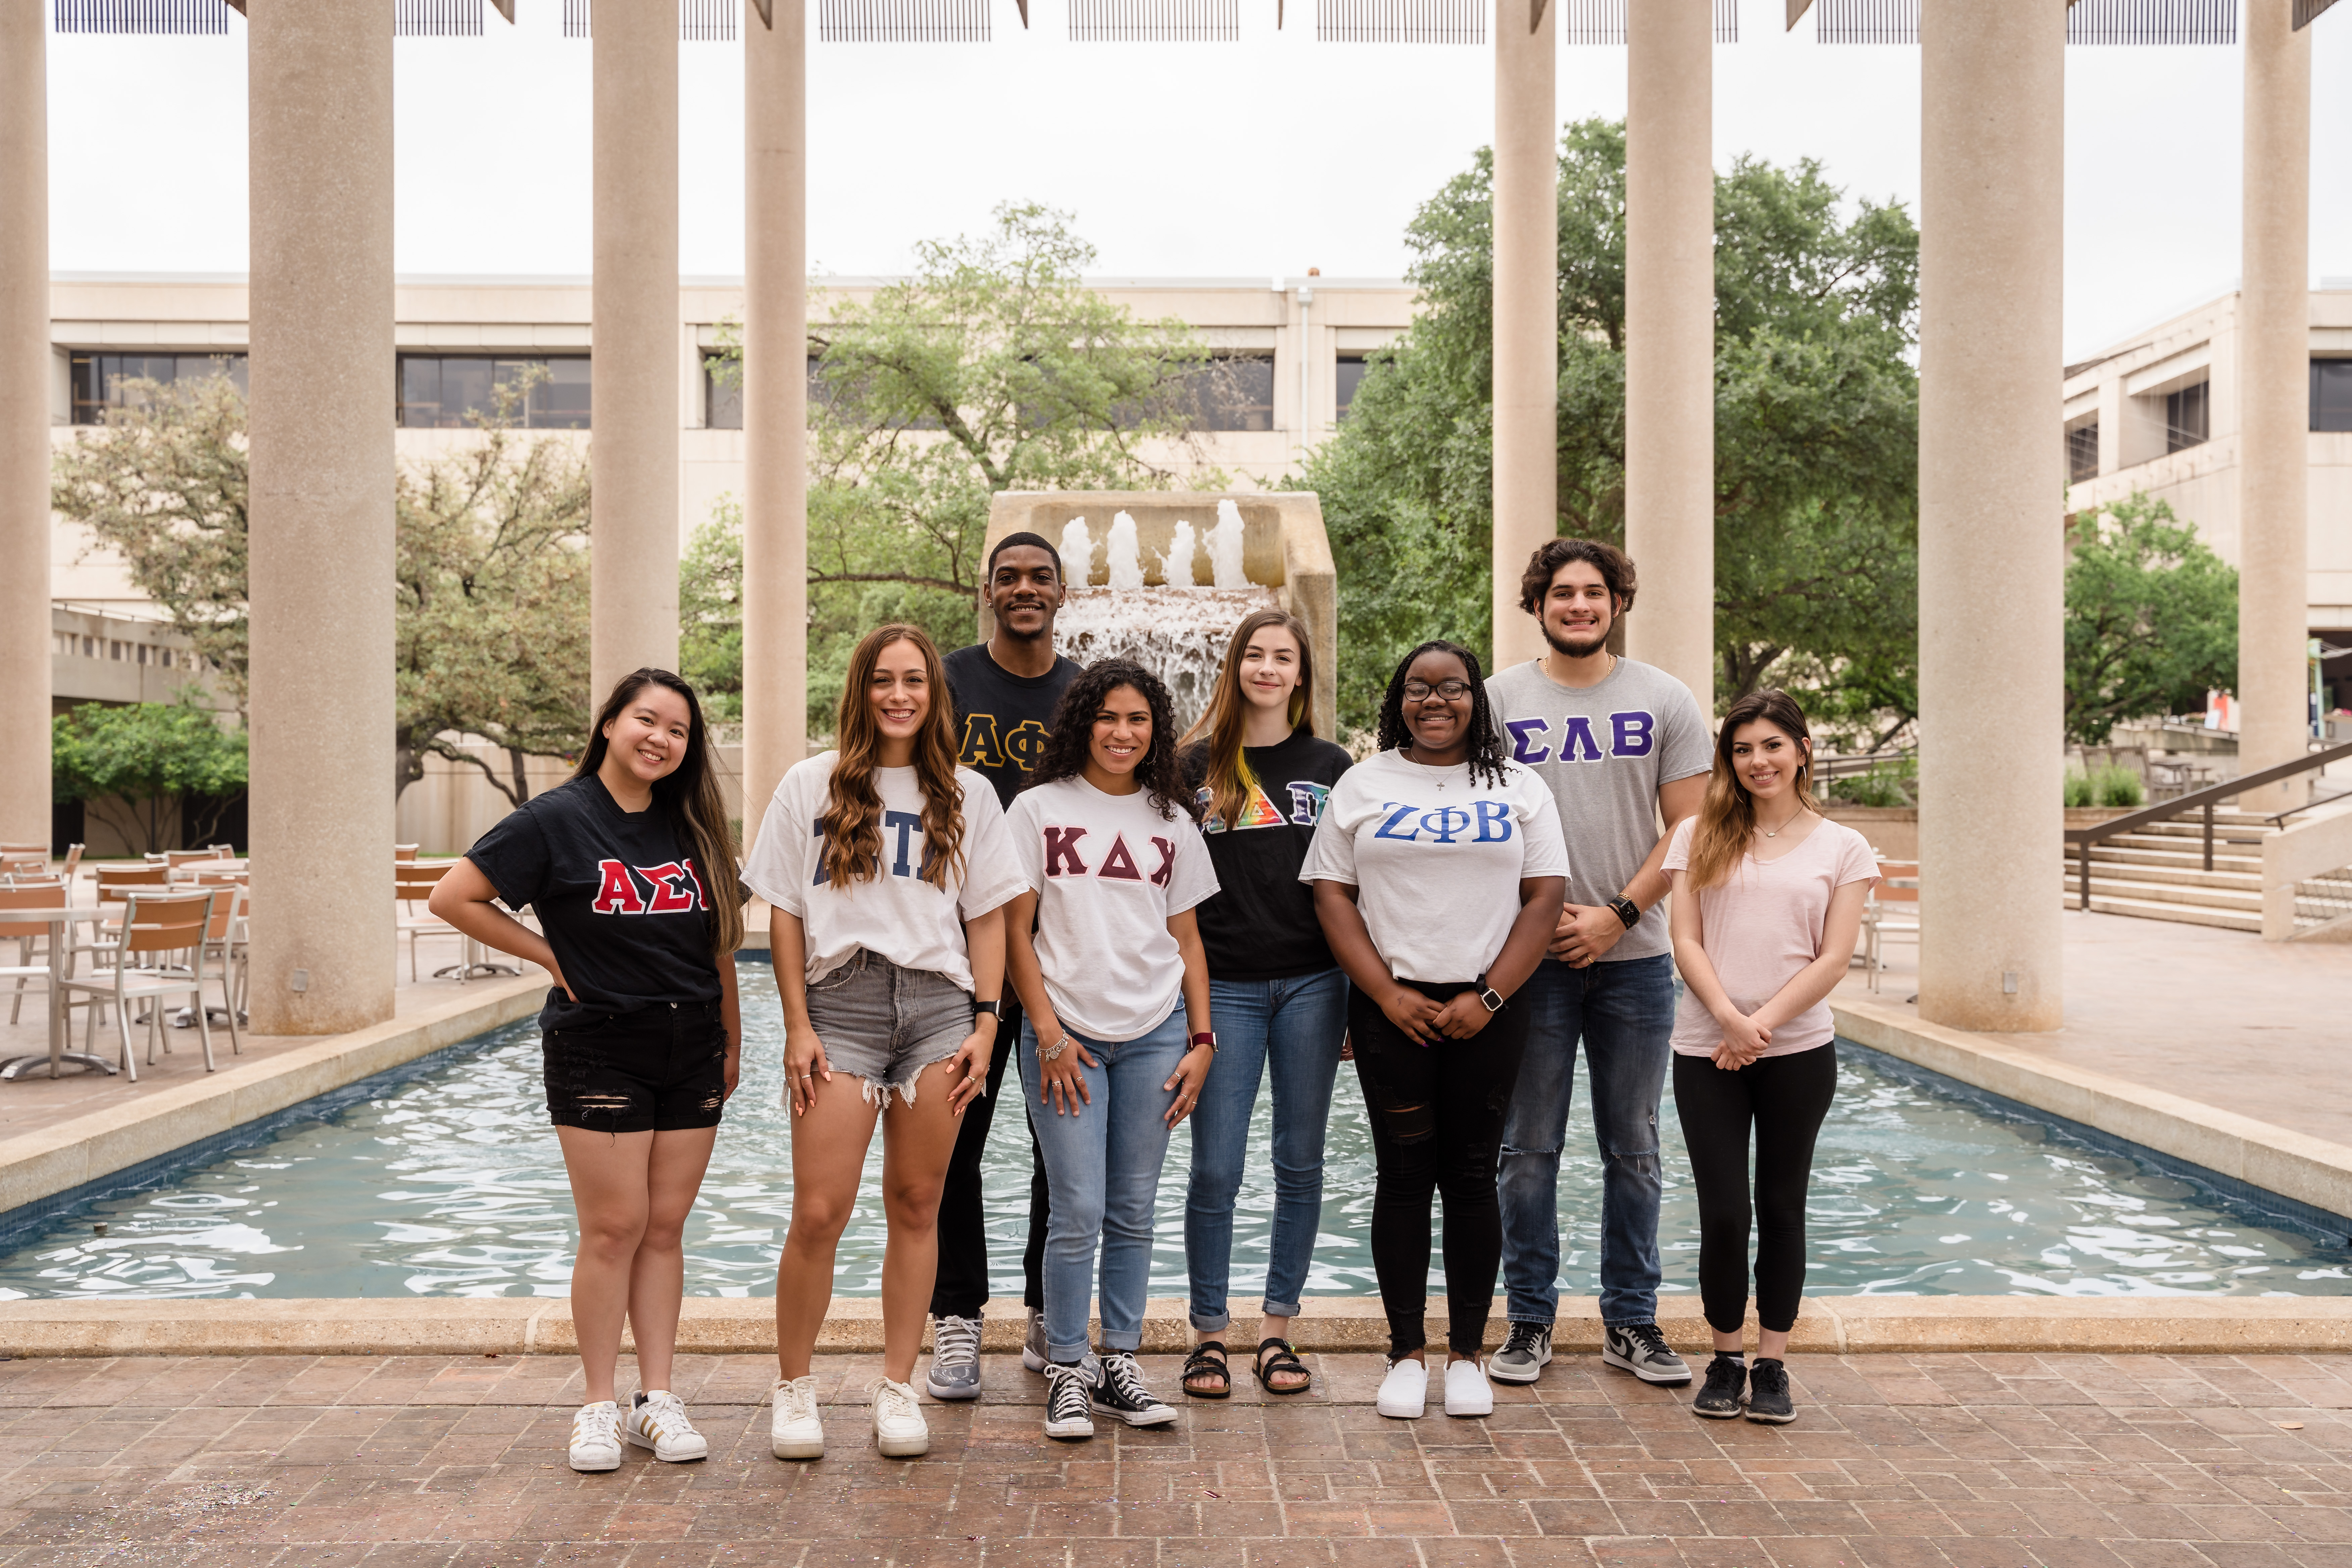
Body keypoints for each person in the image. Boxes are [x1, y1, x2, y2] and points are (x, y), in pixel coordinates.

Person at [429, 669, 745, 1474]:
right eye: (647, 719)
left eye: (677, 730)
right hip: (600, 1044)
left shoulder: (694, 826)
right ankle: (598, 1404)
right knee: (614, 1228)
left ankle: (658, 1399)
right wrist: (550, 955)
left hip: (692, 1044)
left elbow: (719, 947)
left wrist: (734, 1040)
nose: (661, 739)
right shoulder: (555, 819)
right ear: (609, 723)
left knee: (666, 1227)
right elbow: (455, 895)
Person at [740, 625, 1025, 1461]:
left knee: (916, 1203)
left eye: (915, 681)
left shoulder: (970, 793)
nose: (899, 695)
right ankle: (794, 1387)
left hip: (939, 1006)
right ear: (860, 688)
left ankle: (899, 1385)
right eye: (883, 680)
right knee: (820, 1211)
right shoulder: (811, 783)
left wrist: (986, 1019)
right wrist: (796, 1021)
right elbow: (784, 911)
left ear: (936, 694)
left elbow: (987, 917)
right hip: (843, 1004)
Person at [1303, 640, 1568, 1422]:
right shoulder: (1365, 780)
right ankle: (1406, 1352)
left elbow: (1546, 895)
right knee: (1404, 1173)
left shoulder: (1519, 785)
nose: (1435, 701)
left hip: (1492, 1007)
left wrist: (1488, 996)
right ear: (1400, 699)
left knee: (1474, 1173)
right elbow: (1331, 892)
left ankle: (1466, 1355)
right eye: (1419, 688)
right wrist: (1383, 992)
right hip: (1395, 1013)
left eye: (1452, 687)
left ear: (1475, 699)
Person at [1484, 539, 1711, 1390]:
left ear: (1618, 600)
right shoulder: (1498, 700)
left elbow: (1688, 829)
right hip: (1529, 958)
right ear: (1537, 602)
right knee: (1527, 1146)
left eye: (1594, 592)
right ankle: (1530, 1319)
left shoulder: (1664, 698)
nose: (1579, 605)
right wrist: (1536, 925)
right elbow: (1481, 824)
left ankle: (1632, 1319)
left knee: (1636, 1147)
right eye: (1562, 592)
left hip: (1636, 958)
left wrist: (1618, 915)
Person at [1004, 658, 1219, 1441]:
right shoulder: (1037, 809)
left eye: (1138, 720)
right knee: (1079, 1208)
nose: (1123, 733)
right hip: (1068, 1035)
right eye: (1109, 717)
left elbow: (1187, 938)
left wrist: (1201, 1039)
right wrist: (1051, 1033)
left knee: (1132, 1210)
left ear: (1155, 729)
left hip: (1157, 1031)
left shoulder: (1172, 818)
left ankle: (1119, 1361)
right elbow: (1013, 933)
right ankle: (1068, 1365)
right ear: (1082, 722)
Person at [1663, 689, 1874, 1427]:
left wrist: (1761, 1024)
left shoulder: (1842, 846)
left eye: (1772, 745)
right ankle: (1724, 1357)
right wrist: (1727, 1017)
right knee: (1725, 1210)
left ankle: (1773, 1362)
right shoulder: (1698, 833)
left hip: (1798, 1052)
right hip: (1705, 1048)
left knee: (1783, 1206)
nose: (1759, 760)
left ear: (1803, 749)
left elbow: (1835, 955)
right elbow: (1685, 938)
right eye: (1743, 748)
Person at [1173, 608, 1352, 1400]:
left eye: (1284, 656)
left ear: (1302, 674)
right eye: (1255, 654)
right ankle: (1209, 1334)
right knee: (1216, 1167)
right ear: (1235, 665)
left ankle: (1278, 1331)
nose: (1268, 668)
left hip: (1317, 981)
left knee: (1300, 1161)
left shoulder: (1333, 762)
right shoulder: (1190, 764)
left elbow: (1356, 881)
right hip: (1227, 985)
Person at [925, 531, 1084, 1399]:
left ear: (1064, 592)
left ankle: (1046, 1315)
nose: (1025, 589)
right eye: (1009, 578)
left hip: (1063, 956)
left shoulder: (1083, 693)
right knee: (956, 1144)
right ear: (987, 591)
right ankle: (957, 1319)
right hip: (960, 952)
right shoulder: (948, 681)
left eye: (1040, 578)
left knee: (1057, 1149)